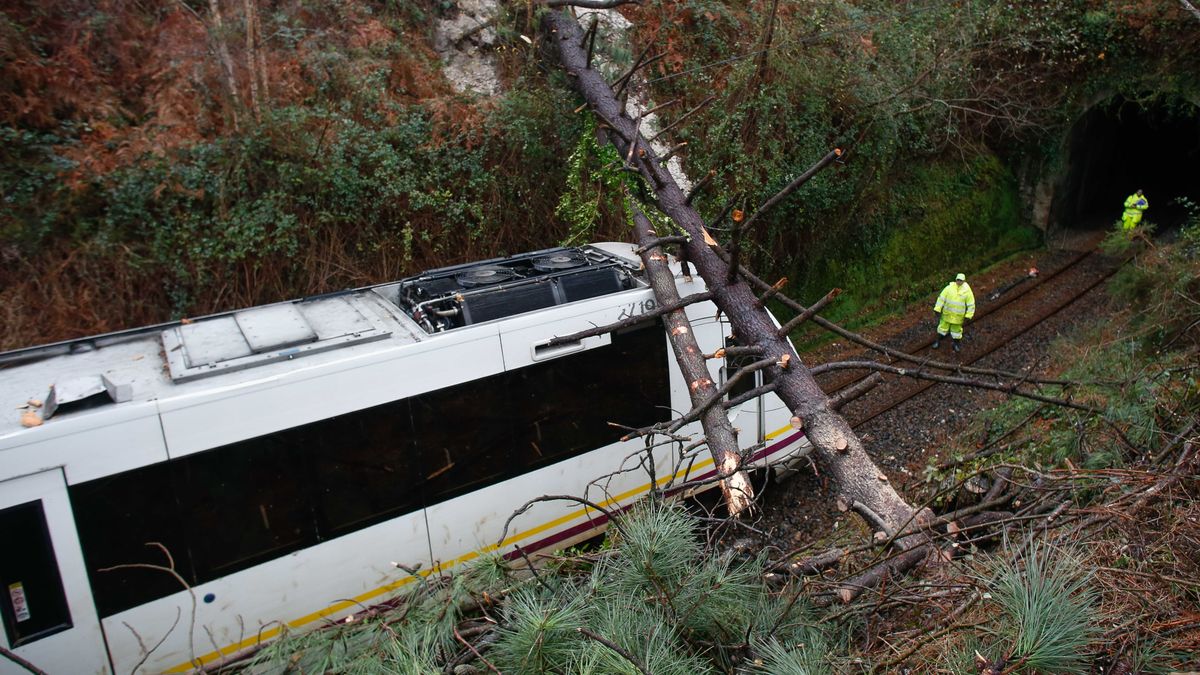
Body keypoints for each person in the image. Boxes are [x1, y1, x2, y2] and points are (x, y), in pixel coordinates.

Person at [933, 273, 975, 353]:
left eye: (961, 280)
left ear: (964, 281)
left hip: (958, 317)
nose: (959, 282)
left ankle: (956, 344)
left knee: (957, 332)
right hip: (947, 314)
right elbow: (941, 298)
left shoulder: (967, 291)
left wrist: (969, 315)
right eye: (958, 280)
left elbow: (971, 304)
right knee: (941, 329)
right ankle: (937, 341)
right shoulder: (949, 288)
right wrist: (937, 309)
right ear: (956, 280)